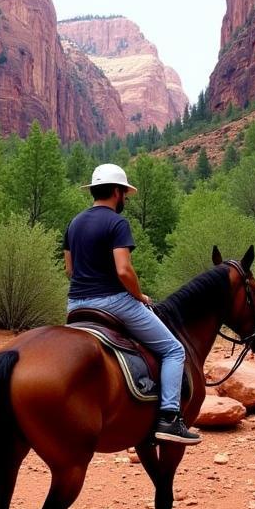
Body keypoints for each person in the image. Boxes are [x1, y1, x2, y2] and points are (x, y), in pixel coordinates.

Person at [63, 163, 201, 446]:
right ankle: (169, 418)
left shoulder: (74, 223)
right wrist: (139, 296)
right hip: (113, 302)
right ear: (117, 192)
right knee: (174, 349)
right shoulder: (116, 223)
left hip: (75, 305)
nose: (125, 198)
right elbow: (124, 271)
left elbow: (70, 269)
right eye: (124, 193)